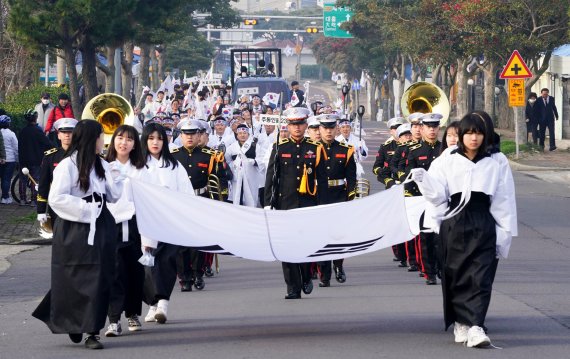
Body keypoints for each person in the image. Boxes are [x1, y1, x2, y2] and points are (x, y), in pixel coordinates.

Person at [409, 111, 517, 348]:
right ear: (460, 136)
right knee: (457, 275)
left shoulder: (496, 160)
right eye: (468, 133)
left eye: (478, 133)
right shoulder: (448, 158)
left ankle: (477, 325)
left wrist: (504, 233)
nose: (474, 138)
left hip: (483, 222)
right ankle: (461, 322)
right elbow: (438, 196)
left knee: (481, 276)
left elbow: (503, 199)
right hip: (455, 222)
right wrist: (423, 180)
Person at [32, 120, 124, 350]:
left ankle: (92, 331)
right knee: (74, 276)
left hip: (101, 223)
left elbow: (113, 196)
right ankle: (72, 322)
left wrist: (116, 174)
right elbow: (57, 198)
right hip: (75, 226)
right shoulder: (67, 165)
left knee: (100, 276)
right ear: (91, 139)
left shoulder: (102, 163)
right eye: (101, 136)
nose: (104, 141)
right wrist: (86, 209)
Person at [264, 107, 324, 299]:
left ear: (306, 125)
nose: (297, 128)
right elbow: (272, 178)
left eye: (300, 124)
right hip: (285, 204)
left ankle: (306, 275)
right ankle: (292, 286)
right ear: (287, 126)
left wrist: (323, 205)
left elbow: (321, 180)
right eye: (293, 124)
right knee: (287, 247)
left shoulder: (315, 148)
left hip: (308, 204)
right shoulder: (279, 147)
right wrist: (268, 203)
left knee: (305, 245)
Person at [141, 122, 193, 324]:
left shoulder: (174, 165)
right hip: (146, 221)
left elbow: (186, 193)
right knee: (149, 263)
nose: (155, 142)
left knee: (168, 261)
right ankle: (152, 303)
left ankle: (163, 302)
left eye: (160, 138)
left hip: (170, 220)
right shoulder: (138, 164)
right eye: (151, 138)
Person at [171, 119, 229, 291]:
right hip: (180, 203)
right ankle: (184, 278)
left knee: (199, 242)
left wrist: (220, 203)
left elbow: (221, 179)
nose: (189, 137)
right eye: (186, 134)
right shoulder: (173, 156)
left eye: (193, 134)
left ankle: (198, 273)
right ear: (180, 136)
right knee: (181, 244)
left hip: (201, 200)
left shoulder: (210, 155)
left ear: (199, 136)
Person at [103, 125, 147, 337]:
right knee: (115, 271)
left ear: (135, 144)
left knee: (135, 272)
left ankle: (132, 313)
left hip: (136, 226)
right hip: (112, 225)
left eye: (129, 139)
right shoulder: (104, 166)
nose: (124, 142)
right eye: (120, 138)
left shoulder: (141, 168)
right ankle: (113, 319)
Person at [316, 114, 357, 287]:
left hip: (339, 195)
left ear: (337, 129)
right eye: (325, 128)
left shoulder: (345, 150)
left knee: (338, 236)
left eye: (332, 128)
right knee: (321, 237)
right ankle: (324, 274)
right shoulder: (313, 149)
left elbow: (352, 177)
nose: (328, 131)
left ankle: (338, 266)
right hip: (318, 196)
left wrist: (351, 198)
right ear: (319, 130)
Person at [404, 113, 442, 283]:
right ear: (423, 129)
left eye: (435, 126)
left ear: (438, 128)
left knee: (441, 237)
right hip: (421, 199)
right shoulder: (415, 151)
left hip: (441, 200)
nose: (432, 130)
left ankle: (442, 268)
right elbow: (409, 177)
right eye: (429, 127)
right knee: (425, 238)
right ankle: (430, 273)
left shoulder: (446, 150)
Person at [37, 118, 77, 229]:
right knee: (59, 236)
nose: (67, 135)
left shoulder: (82, 156)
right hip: (57, 205)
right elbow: (44, 184)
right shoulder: (50, 156)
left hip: (77, 203)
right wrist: (41, 210)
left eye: (70, 132)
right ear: (58, 135)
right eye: (63, 132)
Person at [17, 109, 53, 205]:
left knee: (22, 179)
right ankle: (33, 200)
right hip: (36, 159)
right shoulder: (38, 131)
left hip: (23, 159)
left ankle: (22, 199)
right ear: (36, 118)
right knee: (35, 179)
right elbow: (47, 143)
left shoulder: (22, 131)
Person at [226, 123, 263, 207]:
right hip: (237, 175)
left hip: (251, 175)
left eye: (244, 133)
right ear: (237, 135)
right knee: (237, 195)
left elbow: (261, 159)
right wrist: (234, 164)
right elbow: (227, 160)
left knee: (251, 196)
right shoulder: (231, 147)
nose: (242, 135)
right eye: (240, 133)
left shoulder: (255, 146)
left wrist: (254, 161)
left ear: (248, 134)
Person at [373, 117, 406, 189]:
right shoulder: (385, 147)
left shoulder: (411, 145)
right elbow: (376, 167)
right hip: (391, 184)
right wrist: (385, 177)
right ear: (391, 131)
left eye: (399, 128)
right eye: (395, 128)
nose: (397, 130)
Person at [0, 115, 18, 204]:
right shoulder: (11, 134)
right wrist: (18, 159)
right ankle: (5, 197)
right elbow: (16, 147)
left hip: (0, 159)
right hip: (10, 160)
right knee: (6, 179)